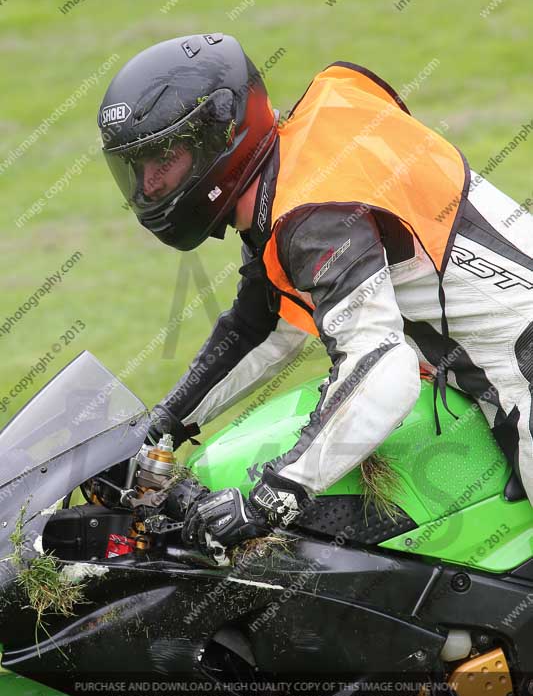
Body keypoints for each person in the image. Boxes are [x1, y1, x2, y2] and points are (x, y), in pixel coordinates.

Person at [98, 33, 533, 558]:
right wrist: (160, 426)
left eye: (163, 161)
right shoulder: (298, 164)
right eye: (137, 169)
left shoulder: (313, 215)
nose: (147, 187)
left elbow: (381, 370)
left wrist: (274, 497)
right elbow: (263, 325)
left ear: (220, 137)